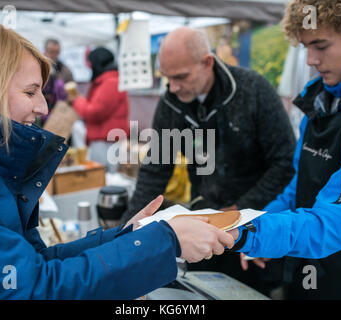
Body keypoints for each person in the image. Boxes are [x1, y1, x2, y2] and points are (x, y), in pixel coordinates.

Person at [0, 20, 236, 300]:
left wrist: (126, 237)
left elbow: (33, 262)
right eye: (30, 92)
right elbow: (34, 286)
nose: (42, 107)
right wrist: (163, 242)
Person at [120, 26, 297, 294]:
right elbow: (155, 171)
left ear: (207, 63)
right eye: (168, 79)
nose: (174, 87)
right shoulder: (172, 103)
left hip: (256, 222)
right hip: (203, 220)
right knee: (201, 290)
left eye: (181, 77)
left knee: (249, 292)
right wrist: (126, 231)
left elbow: (284, 162)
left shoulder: (253, 90)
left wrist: (240, 208)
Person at [228, 0, 341, 299]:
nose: (310, 60)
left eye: (321, 45)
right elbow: (300, 187)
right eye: (305, 47)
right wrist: (257, 223)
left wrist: (251, 234)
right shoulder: (320, 98)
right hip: (311, 269)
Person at [71, 47, 130, 173]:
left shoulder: (110, 82)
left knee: (104, 177)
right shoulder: (109, 80)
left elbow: (95, 112)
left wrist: (78, 101)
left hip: (106, 143)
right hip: (106, 140)